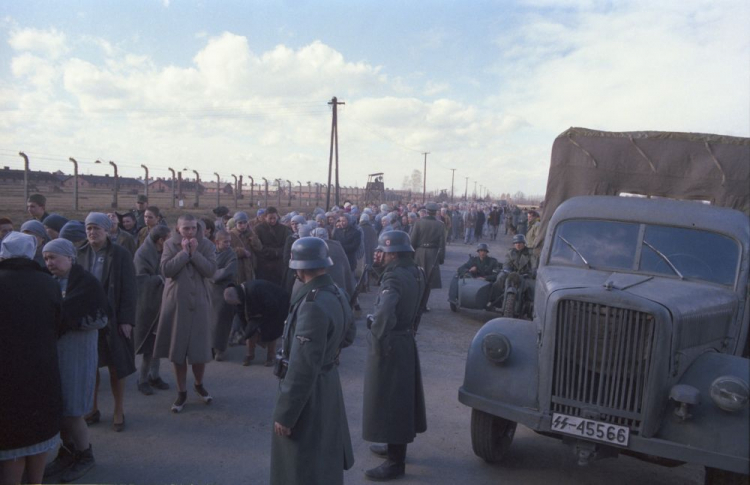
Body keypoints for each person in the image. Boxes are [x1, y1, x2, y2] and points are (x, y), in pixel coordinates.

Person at [270, 237, 355, 485]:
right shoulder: (337, 292)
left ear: (299, 268)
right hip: (328, 382)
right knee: (324, 453)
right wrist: (328, 352)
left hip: (309, 393)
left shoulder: (312, 305)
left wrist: (286, 414)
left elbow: (302, 367)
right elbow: (348, 336)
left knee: (300, 463)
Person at [41, 239, 108, 483]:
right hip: (57, 355)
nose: (49, 262)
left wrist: (72, 321)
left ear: (70, 257)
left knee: (72, 410)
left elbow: (100, 319)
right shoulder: (50, 282)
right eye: (46, 258)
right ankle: (67, 453)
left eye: (54, 257)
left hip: (77, 356)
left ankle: (84, 455)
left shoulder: (87, 284)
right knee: (61, 408)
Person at [363, 230, 427, 481]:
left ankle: (395, 461)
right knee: (400, 400)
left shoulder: (394, 279)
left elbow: (384, 315)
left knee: (391, 402)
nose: (381, 255)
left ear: (395, 253)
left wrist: (376, 338)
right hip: (405, 339)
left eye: (385, 251)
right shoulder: (415, 272)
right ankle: (393, 445)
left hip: (391, 343)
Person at [0, 232, 62, 485]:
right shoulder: (47, 282)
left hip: (6, 370)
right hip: (42, 366)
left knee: (12, 441)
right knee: (38, 435)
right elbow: (58, 322)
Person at [77, 213, 137, 432]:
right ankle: (92, 409)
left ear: (107, 230)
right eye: (89, 228)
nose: (92, 232)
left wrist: (127, 320)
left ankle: (118, 410)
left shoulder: (120, 254)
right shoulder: (80, 252)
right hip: (87, 320)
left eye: (97, 228)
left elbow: (130, 289)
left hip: (113, 320)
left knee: (115, 367)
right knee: (90, 367)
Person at [153, 214, 217, 413]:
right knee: (178, 350)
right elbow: (166, 270)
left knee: (199, 349)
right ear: (178, 229)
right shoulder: (170, 245)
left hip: (199, 302)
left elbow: (210, 271)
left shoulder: (207, 245)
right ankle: (181, 391)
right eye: (185, 228)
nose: (189, 232)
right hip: (176, 302)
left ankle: (199, 384)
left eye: (192, 228)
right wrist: (183, 253)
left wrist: (195, 253)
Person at [133, 225, 172, 396]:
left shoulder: (164, 251)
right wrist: (160, 278)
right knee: (148, 344)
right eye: (168, 239)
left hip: (163, 302)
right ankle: (142, 379)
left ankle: (154, 375)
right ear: (161, 240)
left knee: (159, 341)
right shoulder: (143, 254)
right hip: (147, 304)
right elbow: (141, 279)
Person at [223, 278, 287, 367]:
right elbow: (241, 315)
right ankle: (250, 355)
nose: (236, 305)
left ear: (238, 297)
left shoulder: (255, 289)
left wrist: (260, 318)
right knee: (250, 330)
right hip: (260, 310)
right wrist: (247, 330)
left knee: (271, 330)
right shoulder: (239, 296)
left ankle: (271, 356)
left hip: (278, 306)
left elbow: (272, 306)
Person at [208, 230, 238, 362]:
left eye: (229, 241)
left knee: (221, 320)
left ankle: (220, 349)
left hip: (224, 290)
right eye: (225, 242)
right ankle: (209, 347)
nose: (228, 244)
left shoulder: (231, 255)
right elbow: (204, 266)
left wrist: (211, 275)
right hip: (209, 290)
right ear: (217, 242)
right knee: (209, 320)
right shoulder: (209, 253)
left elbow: (227, 271)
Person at [409, 202, 445, 312]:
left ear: (426, 211)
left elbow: (412, 240)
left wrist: (411, 255)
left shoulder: (418, 223)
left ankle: (415, 303)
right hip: (432, 254)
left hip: (419, 252)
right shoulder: (440, 225)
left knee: (417, 279)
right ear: (435, 212)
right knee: (428, 281)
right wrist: (441, 258)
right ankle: (423, 305)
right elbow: (442, 244)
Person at [488, 234, 537, 309]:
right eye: (516, 243)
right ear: (514, 244)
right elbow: (506, 263)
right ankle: (494, 300)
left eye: (520, 243)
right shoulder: (510, 253)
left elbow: (534, 263)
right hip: (511, 274)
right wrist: (507, 270)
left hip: (525, 275)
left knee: (532, 286)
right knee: (501, 277)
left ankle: (531, 306)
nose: (518, 245)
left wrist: (534, 270)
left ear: (524, 243)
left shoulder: (530, 253)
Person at [255, 207, 292, 285]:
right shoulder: (258, 229)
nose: (272, 220)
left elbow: (287, 245)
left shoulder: (284, 229)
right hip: (264, 265)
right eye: (270, 218)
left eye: (274, 218)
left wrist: (278, 252)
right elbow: (258, 246)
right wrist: (272, 252)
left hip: (279, 265)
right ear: (265, 217)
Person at [229, 211, 262, 283]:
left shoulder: (251, 233)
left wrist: (253, 240)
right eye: (240, 223)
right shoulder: (230, 235)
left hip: (250, 268)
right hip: (237, 268)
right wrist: (242, 252)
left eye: (245, 223)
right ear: (236, 223)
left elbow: (259, 248)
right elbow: (227, 251)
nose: (243, 225)